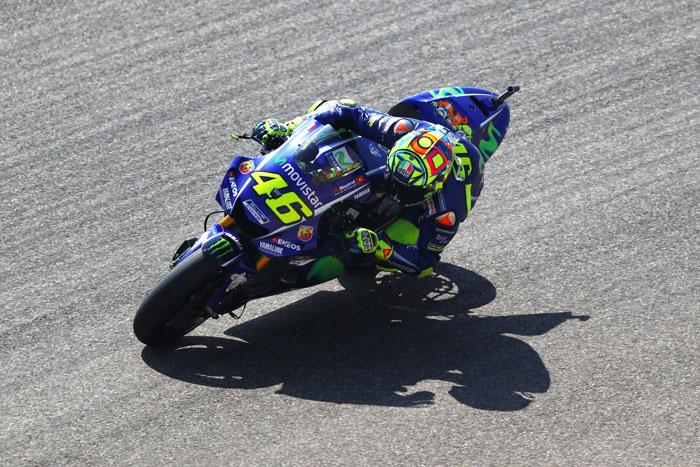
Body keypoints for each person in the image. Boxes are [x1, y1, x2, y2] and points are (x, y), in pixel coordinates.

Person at [249, 99, 485, 278]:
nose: (396, 187)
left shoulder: (447, 204)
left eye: (407, 187)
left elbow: (425, 263)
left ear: (433, 185)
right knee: (341, 103)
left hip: (462, 178)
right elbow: (343, 112)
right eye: (395, 176)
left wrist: (379, 246)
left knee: (403, 235)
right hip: (412, 147)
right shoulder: (398, 130)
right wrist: (288, 128)